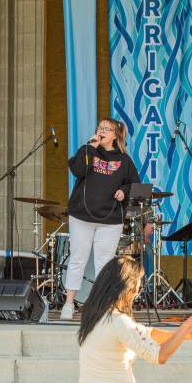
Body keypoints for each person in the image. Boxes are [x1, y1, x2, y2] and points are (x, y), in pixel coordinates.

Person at [62, 119, 140, 321]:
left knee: (104, 264)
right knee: (77, 259)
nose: (102, 131)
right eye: (100, 128)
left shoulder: (124, 160)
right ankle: (69, 304)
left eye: (107, 129)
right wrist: (90, 147)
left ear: (115, 135)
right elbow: (77, 170)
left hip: (110, 220)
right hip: (81, 216)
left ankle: (101, 307)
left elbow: (136, 185)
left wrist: (124, 191)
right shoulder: (88, 150)